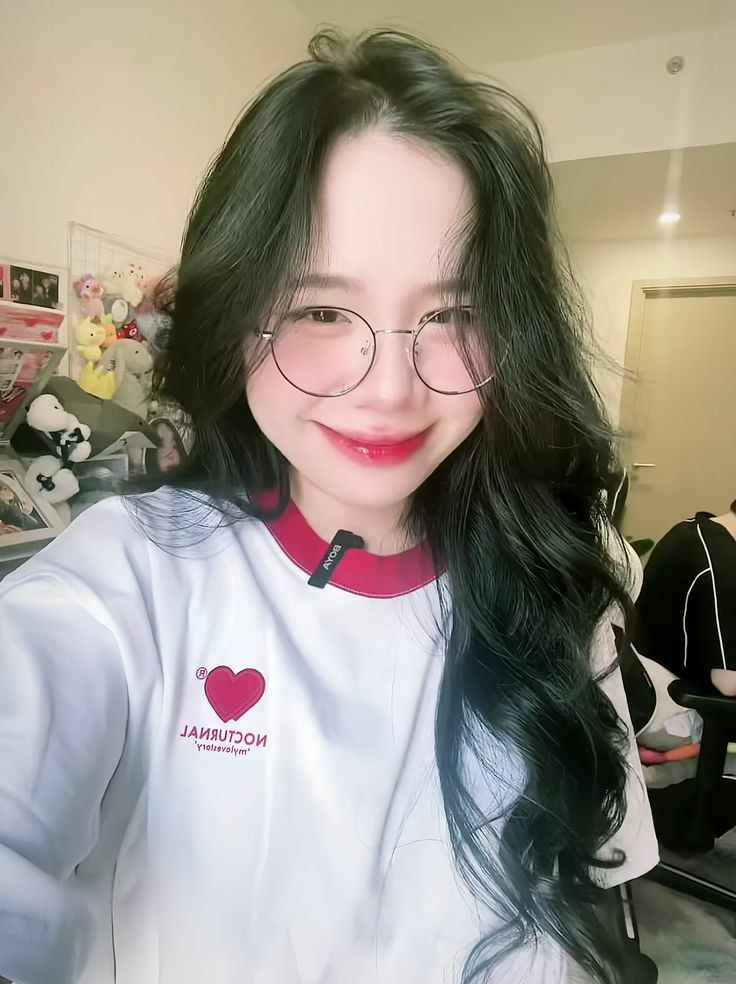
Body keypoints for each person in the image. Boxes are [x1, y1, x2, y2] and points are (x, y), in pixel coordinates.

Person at [0, 30, 657, 984]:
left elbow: (589, 919)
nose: (389, 390)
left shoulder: (555, 587)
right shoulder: (128, 580)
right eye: (318, 310)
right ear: (235, 320)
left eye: (454, 315)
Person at [634, 500, 736, 697]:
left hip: (644, 685)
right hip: (679, 703)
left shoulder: (694, 530)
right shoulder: (723, 566)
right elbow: (728, 682)